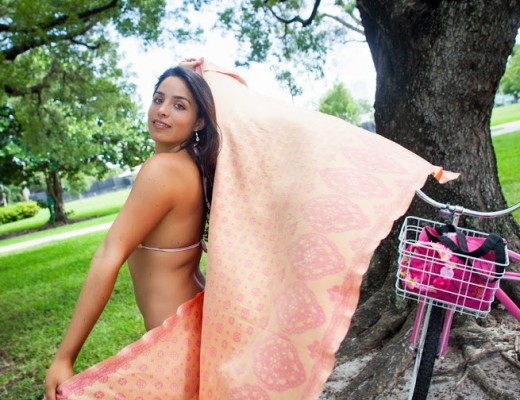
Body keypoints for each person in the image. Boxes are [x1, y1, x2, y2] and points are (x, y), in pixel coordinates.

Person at [44, 62, 220, 400]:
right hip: (192, 319)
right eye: (158, 98)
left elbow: (110, 254)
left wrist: (65, 357)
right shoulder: (191, 166)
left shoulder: (162, 170)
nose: (162, 110)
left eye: (179, 105)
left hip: (176, 339)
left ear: (199, 122)